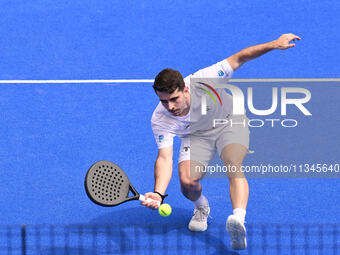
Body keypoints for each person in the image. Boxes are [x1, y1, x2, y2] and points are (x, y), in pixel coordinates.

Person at [141, 33, 301, 250]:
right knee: (187, 183)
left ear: (186, 89)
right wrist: (159, 193)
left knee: (233, 164)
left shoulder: (204, 79)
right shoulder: (160, 118)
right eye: (163, 101)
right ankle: (201, 207)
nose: (169, 106)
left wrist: (274, 44)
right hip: (195, 135)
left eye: (174, 99)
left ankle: (237, 219)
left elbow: (239, 58)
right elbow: (164, 158)